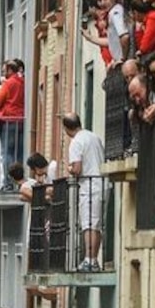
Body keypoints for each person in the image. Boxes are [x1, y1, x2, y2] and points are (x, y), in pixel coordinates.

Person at [62, 113, 105, 271]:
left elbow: (77, 168)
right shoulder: (94, 137)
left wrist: (69, 168)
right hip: (102, 183)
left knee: (88, 224)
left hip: (89, 186)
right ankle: (94, 259)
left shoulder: (76, 142)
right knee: (97, 224)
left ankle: (90, 260)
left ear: (67, 128)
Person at [0, 59, 25, 185]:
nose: (2, 72)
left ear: (10, 70)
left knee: (7, 153)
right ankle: (19, 181)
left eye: (4, 69)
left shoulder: (8, 83)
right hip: (21, 121)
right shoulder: (23, 82)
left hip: (9, 120)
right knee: (19, 153)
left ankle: (8, 182)